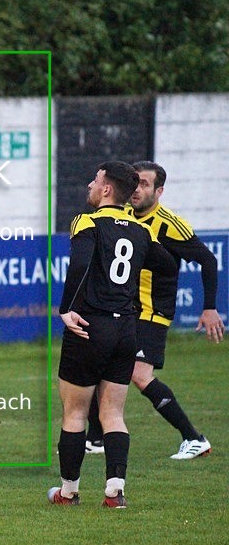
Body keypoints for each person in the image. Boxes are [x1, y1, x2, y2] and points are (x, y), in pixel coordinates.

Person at [48, 161, 176, 509]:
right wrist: (155, 314)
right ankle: (115, 491)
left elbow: (79, 264)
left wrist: (65, 308)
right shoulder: (141, 230)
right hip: (126, 329)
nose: (90, 184)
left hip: (90, 326)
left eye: (95, 180)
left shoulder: (87, 221)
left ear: (106, 189)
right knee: (113, 414)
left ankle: (69, 491)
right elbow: (167, 268)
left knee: (75, 413)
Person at [85, 161, 224, 459]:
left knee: (138, 374)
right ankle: (95, 439)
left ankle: (194, 438)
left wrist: (210, 307)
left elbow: (208, 261)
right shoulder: (123, 216)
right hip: (126, 310)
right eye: (135, 183)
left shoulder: (169, 224)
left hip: (152, 311)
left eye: (145, 184)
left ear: (159, 191)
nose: (137, 189)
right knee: (102, 364)